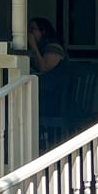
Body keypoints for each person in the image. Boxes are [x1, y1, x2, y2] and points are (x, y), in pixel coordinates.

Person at [28, 17, 68, 146]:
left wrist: (33, 46)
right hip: (46, 96)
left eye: (32, 29)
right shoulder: (43, 49)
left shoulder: (53, 48)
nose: (30, 33)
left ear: (43, 31)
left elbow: (44, 68)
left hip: (55, 100)